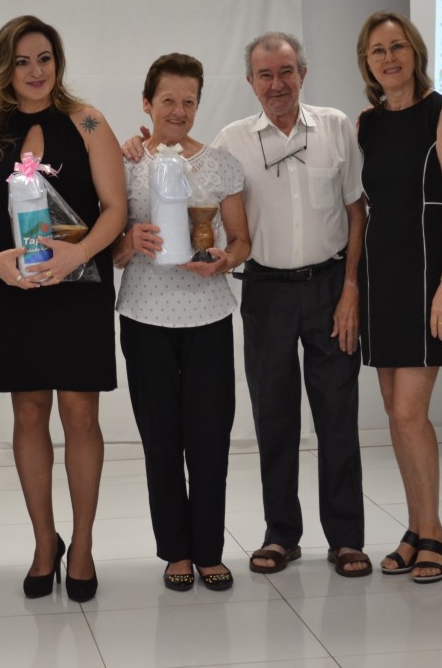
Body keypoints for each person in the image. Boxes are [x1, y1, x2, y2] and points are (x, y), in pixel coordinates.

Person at [126, 33, 370, 576]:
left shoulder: (336, 128)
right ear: (250, 82)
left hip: (331, 287)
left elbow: (357, 210)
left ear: (302, 73)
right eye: (265, 74)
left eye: (286, 72)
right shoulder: (231, 141)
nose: (277, 84)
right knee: (273, 417)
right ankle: (281, 534)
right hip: (265, 291)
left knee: (337, 416)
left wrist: (353, 288)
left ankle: (347, 538)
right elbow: (184, 167)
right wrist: (138, 147)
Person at [0, 15, 126, 602]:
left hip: (81, 286)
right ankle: (43, 542)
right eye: (22, 62)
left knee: (80, 416)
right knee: (29, 413)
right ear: (3, 69)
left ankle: (81, 545)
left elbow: (115, 208)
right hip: (20, 288)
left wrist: (79, 252)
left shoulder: (87, 120)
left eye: (45, 59)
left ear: (58, 62)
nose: (36, 72)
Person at [112, 53, 250, 592]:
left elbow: (241, 240)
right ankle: (176, 551)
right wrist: (131, 241)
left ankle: (209, 549)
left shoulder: (219, 163)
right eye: (167, 99)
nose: (178, 110)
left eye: (188, 101)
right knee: (161, 439)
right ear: (147, 103)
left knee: (210, 437)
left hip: (208, 316)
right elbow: (111, 253)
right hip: (144, 316)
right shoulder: (126, 162)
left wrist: (224, 259)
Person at [354, 12, 442, 583]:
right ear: (367, 63)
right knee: (393, 413)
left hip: (428, 278)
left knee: (409, 411)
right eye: (378, 51)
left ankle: (433, 532)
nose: (389, 58)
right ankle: (415, 526)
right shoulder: (368, 124)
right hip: (381, 278)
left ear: (416, 52)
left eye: (397, 46)